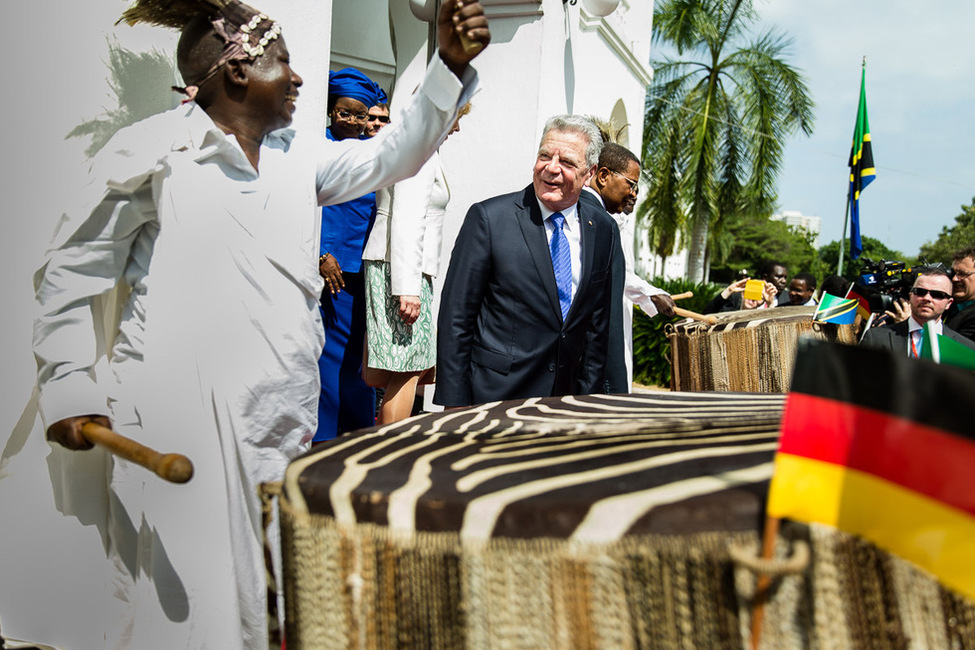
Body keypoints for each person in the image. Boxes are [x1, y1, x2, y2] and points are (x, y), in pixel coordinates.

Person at [26, 1, 488, 648]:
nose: (299, 80)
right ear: (237, 71)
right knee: (182, 609)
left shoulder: (299, 156)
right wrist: (71, 387)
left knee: (266, 601)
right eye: (283, 64)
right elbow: (73, 273)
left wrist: (448, 65)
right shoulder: (155, 152)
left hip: (279, 421)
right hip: (177, 421)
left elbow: (395, 155)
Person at [434, 115, 621, 407]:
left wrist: (587, 403)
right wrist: (455, 403)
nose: (552, 168)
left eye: (567, 162)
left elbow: (597, 328)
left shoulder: (603, 229)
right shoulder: (490, 219)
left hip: (563, 404)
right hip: (491, 399)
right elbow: (456, 319)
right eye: (545, 156)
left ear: (590, 173)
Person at [361, 103, 471, 423]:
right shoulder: (418, 150)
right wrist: (407, 288)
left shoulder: (413, 145)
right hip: (400, 269)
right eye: (456, 119)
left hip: (397, 266)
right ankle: (389, 452)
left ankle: (384, 448)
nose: (457, 129)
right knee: (406, 368)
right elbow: (408, 218)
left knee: (406, 367)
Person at [315, 68, 386, 442]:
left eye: (361, 115)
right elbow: (308, 205)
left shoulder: (370, 152)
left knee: (358, 360)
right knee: (329, 359)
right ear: (331, 111)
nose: (354, 121)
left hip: (364, 272)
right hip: (331, 272)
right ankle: (324, 438)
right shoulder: (318, 148)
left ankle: (357, 436)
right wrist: (321, 252)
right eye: (346, 113)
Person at [581, 142, 673, 391]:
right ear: (603, 175)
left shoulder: (609, 219)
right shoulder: (599, 220)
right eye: (631, 185)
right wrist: (650, 294)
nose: (634, 194)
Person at [861, 268, 975, 355]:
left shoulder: (966, 348)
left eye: (937, 295)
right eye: (920, 292)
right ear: (911, 296)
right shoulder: (876, 337)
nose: (927, 298)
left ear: (949, 303)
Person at [945, 246, 975, 341]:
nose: (955, 279)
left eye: (962, 274)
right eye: (953, 273)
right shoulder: (945, 305)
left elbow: (957, 349)